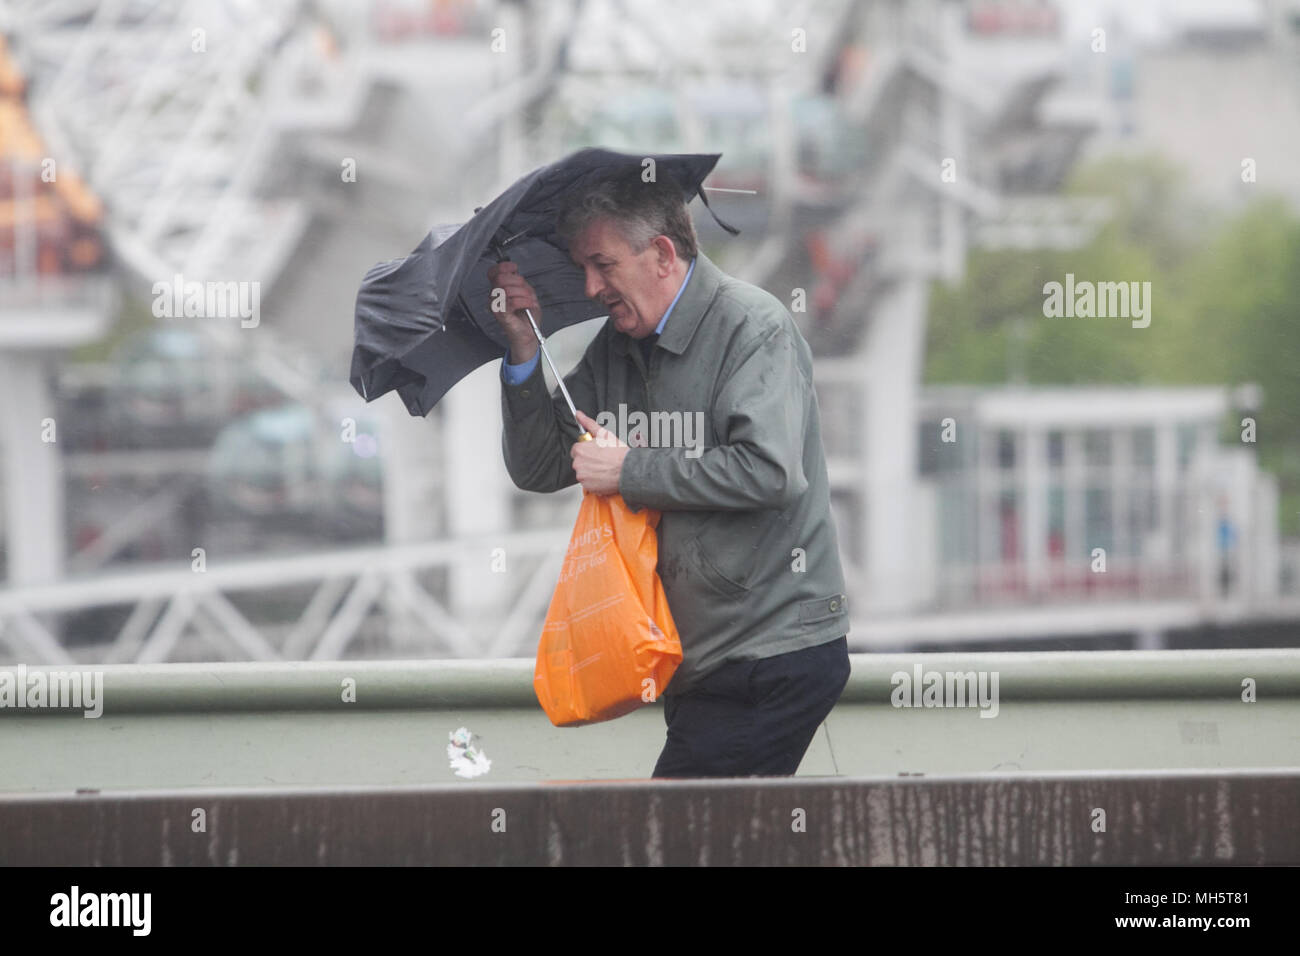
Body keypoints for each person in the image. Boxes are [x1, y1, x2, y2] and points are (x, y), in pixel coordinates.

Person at [487, 168, 850, 777]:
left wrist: (630, 469)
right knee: (719, 840)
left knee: (677, 831)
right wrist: (524, 352)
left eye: (602, 265)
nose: (590, 285)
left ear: (660, 254)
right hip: (699, 660)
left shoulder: (752, 326)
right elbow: (543, 465)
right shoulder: (617, 348)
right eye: (583, 268)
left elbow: (769, 473)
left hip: (773, 650)